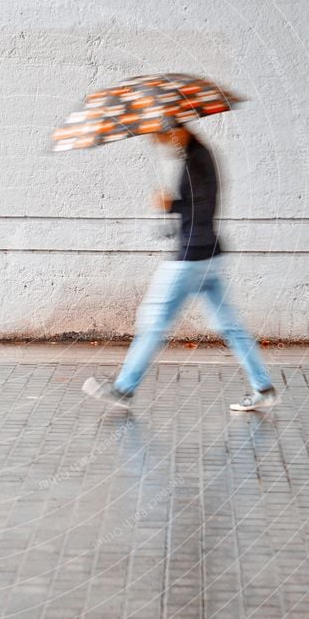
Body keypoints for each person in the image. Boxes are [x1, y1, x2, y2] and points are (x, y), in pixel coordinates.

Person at [82, 122, 279, 412]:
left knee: (153, 320)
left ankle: (124, 388)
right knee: (231, 326)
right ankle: (263, 387)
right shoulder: (198, 155)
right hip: (210, 255)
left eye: (160, 136)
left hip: (191, 258)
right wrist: (173, 206)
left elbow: (200, 209)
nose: (160, 143)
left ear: (176, 130)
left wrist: (169, 205)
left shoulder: (195, 161)